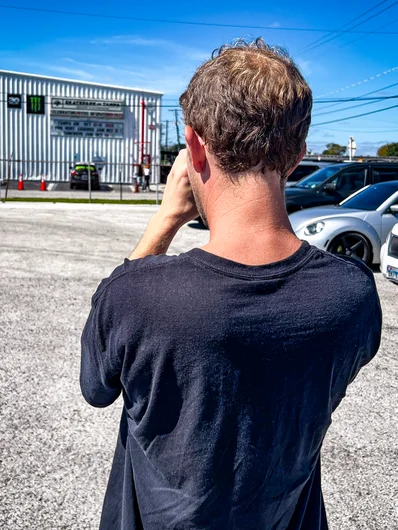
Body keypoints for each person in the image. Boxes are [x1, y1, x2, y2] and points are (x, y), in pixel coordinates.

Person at [80, 39, 382, 530]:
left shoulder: (135, 294)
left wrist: (164, 221)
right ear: (298, 155)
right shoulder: (353, 295)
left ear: (195, 147)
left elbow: (96, 386)